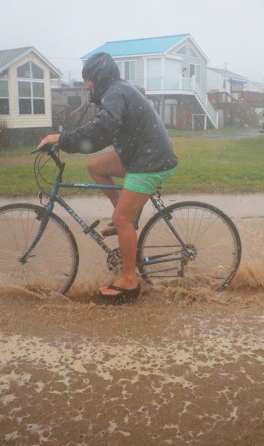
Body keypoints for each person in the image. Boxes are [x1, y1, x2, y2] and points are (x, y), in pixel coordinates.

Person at [37, 52, 178, 302]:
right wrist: (68, 141)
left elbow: (101, 130)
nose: (86, 84)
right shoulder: (115, 91)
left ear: (99, 76)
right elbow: (99, 137)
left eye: (88, 78)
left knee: (120, 217)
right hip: (141, 155)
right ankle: (127, 218)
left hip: (149, 160)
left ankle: (129, 280)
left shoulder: (114, 93)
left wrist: (61, 139)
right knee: (96, 167)